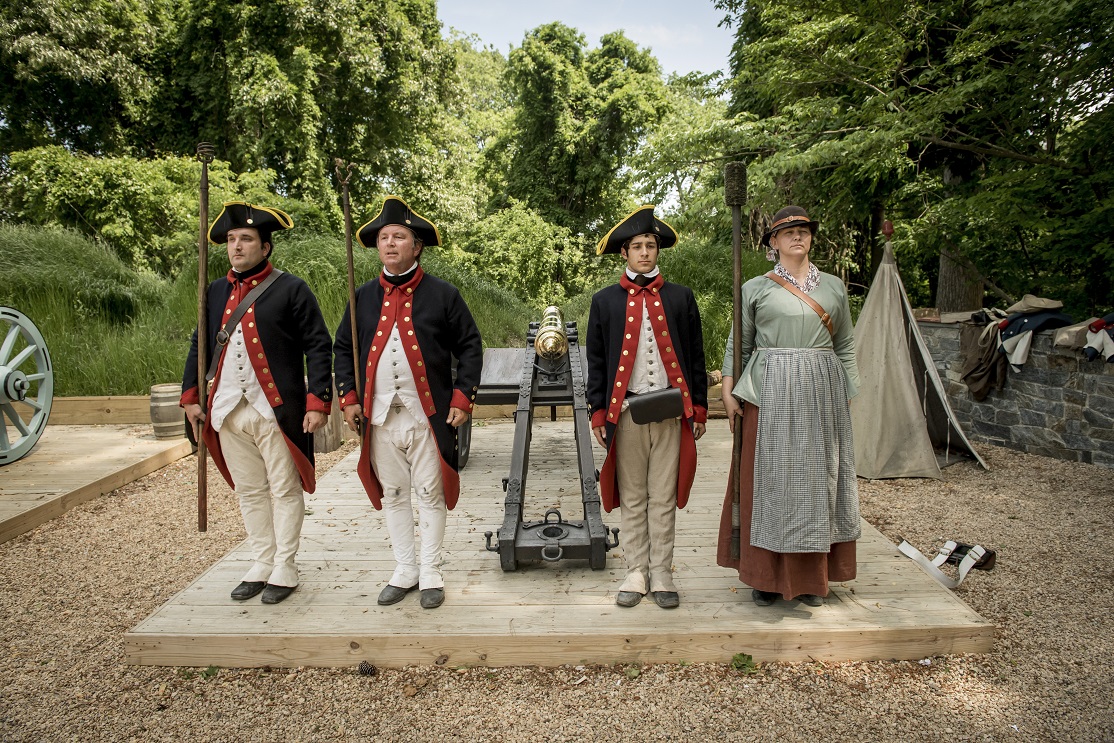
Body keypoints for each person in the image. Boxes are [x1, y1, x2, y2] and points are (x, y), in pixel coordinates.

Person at [333, 196, 482, 610]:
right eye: (384, 237)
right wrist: (348, 397)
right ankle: (405, 569)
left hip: (427, 416)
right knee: (395, 492)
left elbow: (470, 347)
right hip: (380, 416)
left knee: (431, 492)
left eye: (399, 237)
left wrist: (462, 397)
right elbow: (343, 348)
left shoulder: (444, 295)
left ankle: (431, 570)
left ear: (417, 247)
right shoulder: (361, 296)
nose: (390, 243)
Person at [182, 202, 333, 605]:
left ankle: (285, 564)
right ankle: (262, 561)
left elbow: (318, 345)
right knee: (249, 490)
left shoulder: (292, 289)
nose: (236, 246)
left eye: (246, 239)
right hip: (227, 408)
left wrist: (317, 401)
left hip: (276, 409)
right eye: (231, 239)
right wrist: (191, 396)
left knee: (283, 487)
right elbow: (200, 344)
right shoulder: (214, 291)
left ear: (265, 247)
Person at [718, 205, 861, 607]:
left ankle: (811, 580)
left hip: (821, 391)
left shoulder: (833, 287)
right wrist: (729, 390)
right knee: (770, 481)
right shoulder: (755, 288)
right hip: (769, 391)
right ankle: (765, 577)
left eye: (804, 230)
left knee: (817, 481)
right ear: (773, 242)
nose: (797, 236)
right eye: (788, 232)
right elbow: (739, 345)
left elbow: (845, 345)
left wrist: (846, 392)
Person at [586, 205, 707, 609]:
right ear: (624, 252)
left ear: (658, 250)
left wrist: (699, 408)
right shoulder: (604, 301)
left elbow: (695, 356)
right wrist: (598, 411)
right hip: (627, 414)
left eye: (650, 246)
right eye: (636, 246)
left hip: (671, 413)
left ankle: (662, 573)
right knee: (634, 496)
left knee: (663, 496)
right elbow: (597, 362)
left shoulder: (681, 297)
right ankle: (636, 571)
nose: (644, 252)